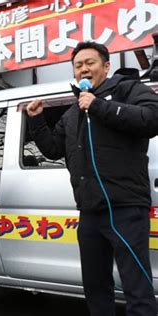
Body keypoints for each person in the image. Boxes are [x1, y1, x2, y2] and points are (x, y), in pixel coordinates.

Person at [25, 42, 158, 315]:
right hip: (89, 211)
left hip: (125, 208)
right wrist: (36, 121)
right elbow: (52, 149)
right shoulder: (73, 112)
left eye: (90, 62)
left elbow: (151, 119)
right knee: (96, 288)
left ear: (106, 66)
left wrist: (98, 106)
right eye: (78, 65)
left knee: (137, 287)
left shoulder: (126, 89)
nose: (84, 68)